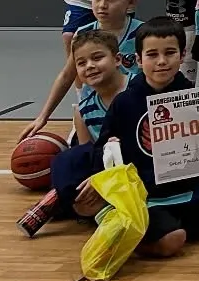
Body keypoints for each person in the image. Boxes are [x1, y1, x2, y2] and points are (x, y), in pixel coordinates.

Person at [93, 17, 199, 257]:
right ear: (139, 60)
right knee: (172, 241)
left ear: (183, 55)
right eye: (152, 54)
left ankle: (182, 226)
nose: (162, 61)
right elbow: (100, 152)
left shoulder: (195, 99)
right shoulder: (124, 103)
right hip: (149, 197)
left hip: (193, 192)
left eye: (170, 53)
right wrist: (110, 149)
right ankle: (139, 239)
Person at [16, 27, 132, 236]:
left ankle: (60, 201)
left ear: (117, 59)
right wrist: (96, 179)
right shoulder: (83, 110)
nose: (90, 66)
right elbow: (89, 155)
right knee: (70, 158)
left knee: (80, 199)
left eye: (97, 58)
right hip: (110, 168)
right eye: (81, 63)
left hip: (139, 162)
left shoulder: (138, 88)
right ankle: (73, 201)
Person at [21, 0, 144, 139]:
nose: (102, 5)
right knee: (81, 154)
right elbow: (67, 75)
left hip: (133, 114)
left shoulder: (143, 34)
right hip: (93, 115)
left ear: (130, 3)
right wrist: (43, 117)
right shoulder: (82, 34)